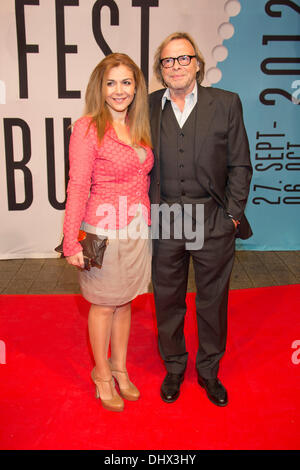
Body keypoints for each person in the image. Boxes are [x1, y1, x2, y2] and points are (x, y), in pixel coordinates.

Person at [149, 32, 252, 406]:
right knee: (167, 300)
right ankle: (174, 366)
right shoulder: (145, 106)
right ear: (160, 70)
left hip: (212, 221)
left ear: (197, 63)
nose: (175, 66)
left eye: (182, 58)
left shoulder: (226, 104)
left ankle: (209, 372)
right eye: (167, 61)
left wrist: (232, 217)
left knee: (212, 302)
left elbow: (240, 163)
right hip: (165, 220)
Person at [62, 53, 153, 412]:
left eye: (126, 82)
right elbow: (77, 184)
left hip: (136, 229)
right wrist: (71, 240)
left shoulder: (139, 125)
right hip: (100, 230)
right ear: (100, 87)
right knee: (102, 305)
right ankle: (101, 373)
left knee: (125, 301)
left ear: (136, 87)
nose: (119, 90)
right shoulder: (87, 128)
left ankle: (120, 367)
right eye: (111, 82)